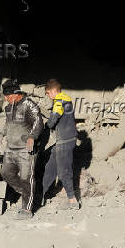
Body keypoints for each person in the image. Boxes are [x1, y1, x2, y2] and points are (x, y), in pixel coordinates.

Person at [0, 79, 44, 219]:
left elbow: (38, 122)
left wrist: (32, 137)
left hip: (26, 149)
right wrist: (1, 133)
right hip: (11, 148)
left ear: (16, 94)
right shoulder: (8, 107)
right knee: (6, 173)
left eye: (8, 96)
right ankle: (28, 194)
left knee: (26, 177)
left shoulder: (29, 104)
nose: (6, 99)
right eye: (5, 96)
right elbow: (8, 123)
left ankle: (27, 209)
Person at [42, 79, 79, 210]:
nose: (48, 96)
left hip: (65, 140)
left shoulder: (58, 101)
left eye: (48, 93)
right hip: (65, 139)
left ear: (53, 91)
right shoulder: (66, 99)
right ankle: (42, 195)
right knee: (50, 166)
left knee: (64, 172)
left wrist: (46, 126)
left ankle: (72, 200)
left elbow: (53, 119)